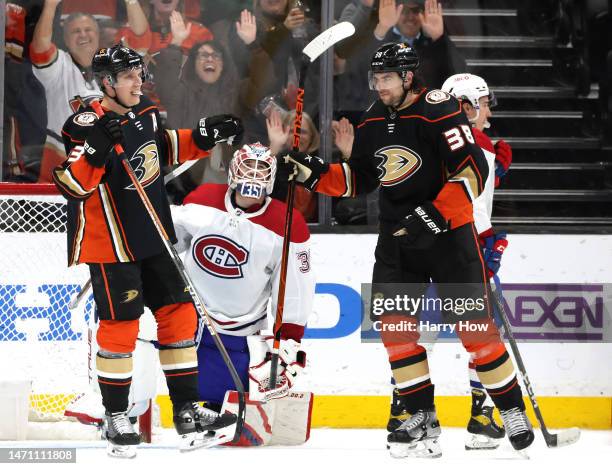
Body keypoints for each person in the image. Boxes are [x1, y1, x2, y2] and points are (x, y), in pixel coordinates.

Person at [278, 42, 534, 457]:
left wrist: (434, 214)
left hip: (449, 234)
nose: (379, 86)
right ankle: (420, 414)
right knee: (396, 330)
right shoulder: (373, 119)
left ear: (408, 77)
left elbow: (473, 169)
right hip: (398, 238)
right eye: (375, 78)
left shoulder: (439, 109)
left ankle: (511, 409)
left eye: (386, 78)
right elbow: (361, 179)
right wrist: (314, 174)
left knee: (475, 331)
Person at [51, 44, 243, 457]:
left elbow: (164, 149)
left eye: (139, 73)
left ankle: (188, 409)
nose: (139, 81)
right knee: (120, 325)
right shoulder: (85, 124)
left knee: (178, 314)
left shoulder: (145, 112)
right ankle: (116, 415)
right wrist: (98, 146)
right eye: (129, 76)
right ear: (106, 83)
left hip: (153, 232)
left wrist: (205, 135)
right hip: (110, 243)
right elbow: (73, 185)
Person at [171, 142, 315, 444]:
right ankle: (125, 407)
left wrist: (288, 339)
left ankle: (214, 408)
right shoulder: (201, 200)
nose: (253, 176)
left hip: (239, 332)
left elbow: (295, 290)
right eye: (248, 167)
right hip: (190, 319)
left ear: (272, 178)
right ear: (233, 172)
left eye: (262, 170)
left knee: (230, 413)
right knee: (142, 329)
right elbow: (171, 245)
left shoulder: (288, 224)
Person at [336, 0, 465, 114]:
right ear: (394, 11)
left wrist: (439, 39)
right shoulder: (379, 34)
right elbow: (359, 75)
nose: (410, 17)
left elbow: (459, 77)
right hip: (380, 118)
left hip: (422, 121)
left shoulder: (433, 42)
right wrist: (382, 29)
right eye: (404, 10)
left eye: (415, 11)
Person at [30, 0, 104, 182]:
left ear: (98, 34)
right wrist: (50, 6)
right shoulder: (58, 66)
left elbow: (140, 39)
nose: (83, 35)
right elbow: (40, 48)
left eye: (88, 30)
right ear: (65, 39)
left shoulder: (111, 66)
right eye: (76, 31)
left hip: (103, 166)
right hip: (60, 171)